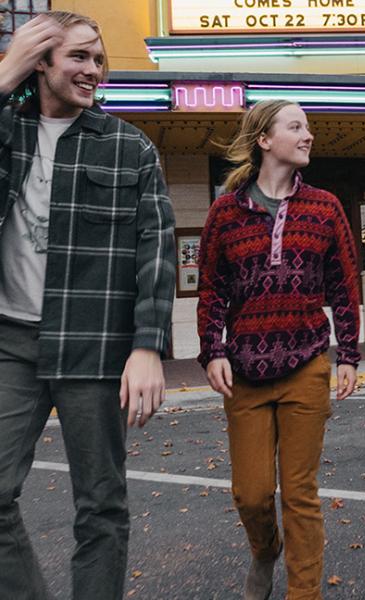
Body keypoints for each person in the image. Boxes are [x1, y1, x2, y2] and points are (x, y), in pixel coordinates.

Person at [0, 11, 176, 600]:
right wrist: (6, 70)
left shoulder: (130, 147)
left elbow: (156, 253)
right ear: (41, 62)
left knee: (101, 506)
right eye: (78, 56)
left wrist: (148, 348)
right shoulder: (7, 130)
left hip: (93, 345)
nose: (93, 70)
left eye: (99, 59)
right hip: (10, 343)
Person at [197, 99, 360, 600]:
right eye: (296, 127)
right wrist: (213, 350)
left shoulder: (325, 207)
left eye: (308, 126)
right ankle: (265, 550)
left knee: (300, 494)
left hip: (306, 363)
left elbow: (345, 286)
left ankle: (303, 593)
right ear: (265, 140)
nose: (308, 135)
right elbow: (211, 288)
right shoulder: (225, 212)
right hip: (244, 372)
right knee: (251, 493)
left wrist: (348, 354)